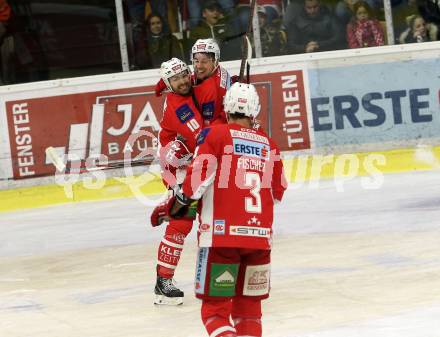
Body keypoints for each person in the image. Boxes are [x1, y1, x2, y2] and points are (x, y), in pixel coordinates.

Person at [165, 82, 287, 337]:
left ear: (226, 108)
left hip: (220, 239)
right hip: (259, 242)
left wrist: (173, 205)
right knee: (249, 313)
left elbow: (194, 186)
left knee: (214, 312)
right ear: (254, 111)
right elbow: (277, 193)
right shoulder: (270, 145)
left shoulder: (214, 135)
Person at [150, 57, 204, 305]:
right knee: (182, 223)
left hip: (194, 163)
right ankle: (163, 281)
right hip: (179, 170)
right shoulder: (178, 107)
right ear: (169, 85)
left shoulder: (185, 84)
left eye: (184, 75)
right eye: (175, 79)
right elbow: (201, 137)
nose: (182, 81)